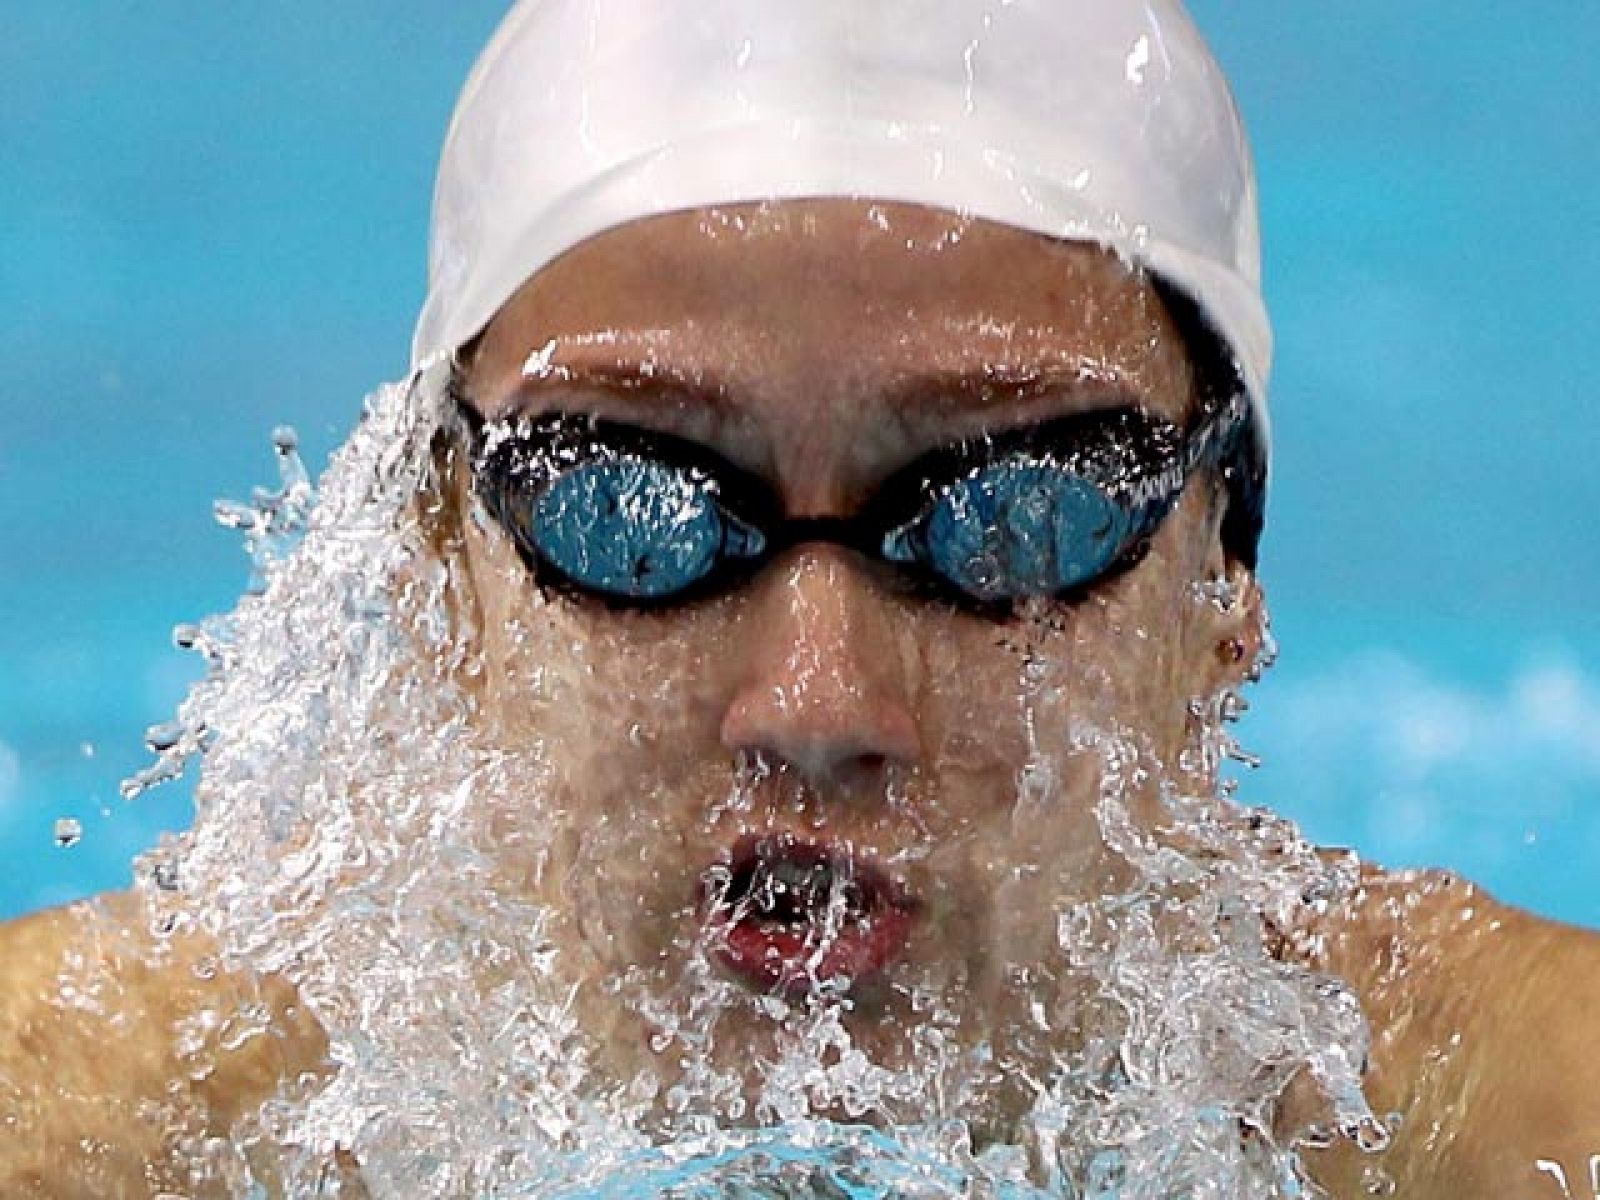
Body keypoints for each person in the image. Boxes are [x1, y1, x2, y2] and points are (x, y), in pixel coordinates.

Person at [3, 2, 1597, 1196]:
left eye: (1015, 515)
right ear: (444, 572)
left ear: (1223, 587)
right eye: (632, 510)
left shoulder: (1495, 1113)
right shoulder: (108, 1116)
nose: (820, 708)